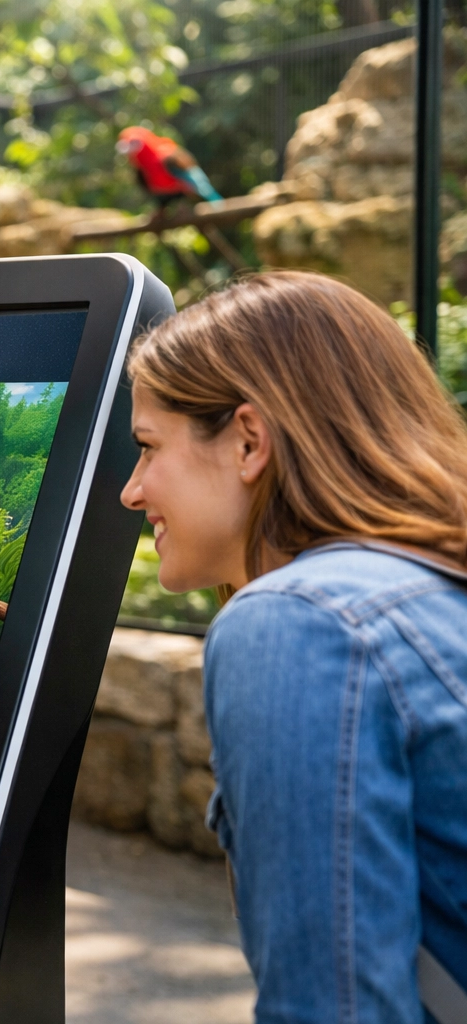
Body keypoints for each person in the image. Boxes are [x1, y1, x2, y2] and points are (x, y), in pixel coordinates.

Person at [120, 270, 467, 1022]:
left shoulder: (302, 621)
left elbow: (334, 1007)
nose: (133, 489)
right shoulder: (428, 589)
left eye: (148, 447)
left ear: (249, 440)